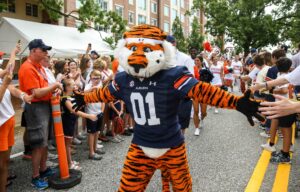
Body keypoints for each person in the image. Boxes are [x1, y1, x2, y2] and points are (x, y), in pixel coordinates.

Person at [72, 25, 263, 191]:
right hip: (140, 146)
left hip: (172, 147)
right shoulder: (123, 79)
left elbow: (202, 91)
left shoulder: (173, 76)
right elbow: (104, 94)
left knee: (182, 187)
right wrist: (84, 97)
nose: (138, 56)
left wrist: (236, 102)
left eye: (146, 49)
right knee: (128, 188)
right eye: (133, 49)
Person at [18, 39, 62, 190]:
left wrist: (52, 88)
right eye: (43, 50)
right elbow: (36, 93)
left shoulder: (37, 67)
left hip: (43, 106)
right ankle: (35, 176)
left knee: (44, 142)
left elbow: (44, 88)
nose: (46, 53)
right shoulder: (28, 68)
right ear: (33, 51)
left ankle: (43, 170)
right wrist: (55, 86)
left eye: (46, 50)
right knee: (38, 144)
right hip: (36, 107)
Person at [0, 44, 33, 191]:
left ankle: (4, 180)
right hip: (1, 124)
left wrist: (22, 95)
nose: (1, 60)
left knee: (5, 160)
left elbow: (9, 75)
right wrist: (5, 83)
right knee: (1, 163)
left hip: (8, 119)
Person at [260, 58, 296, 163]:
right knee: (285, 128)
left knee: (285, 129)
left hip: (285, 106)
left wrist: (272, 90)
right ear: (289, 67)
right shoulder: (285, 76)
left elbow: (284, 90)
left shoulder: (283, 77)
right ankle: (287, 149)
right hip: (284, 105)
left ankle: (285, 154)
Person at [61, 78, 97, 169]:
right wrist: (89, 116)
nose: (75, 86)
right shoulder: (65, 99)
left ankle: (70, 161)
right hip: (67, 123)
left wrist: (91, 90)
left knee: (68, 144)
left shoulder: (71, 95)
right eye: (73, 84)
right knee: (67, 145)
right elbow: (74, 111)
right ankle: (69, 164)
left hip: (71, 122)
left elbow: (82, 94)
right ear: (67, 87)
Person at [166, 35, 195, 133]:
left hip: (182, 96)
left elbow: (191, 77)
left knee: (181, 125)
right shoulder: (161, 59)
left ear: (174, 44)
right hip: (166, 96)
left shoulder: (185, 58)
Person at [84, 70, 105, 160]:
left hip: (99, 112)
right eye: (94, 78)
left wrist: (102, 111)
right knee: (91, 133)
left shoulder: (101, 86)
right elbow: (83, 94)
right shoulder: (88, 86)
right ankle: (91, 152)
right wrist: (91, 89)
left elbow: (103, 100)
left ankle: (95, 148)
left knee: (97, 132)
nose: (96, 80)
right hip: (91, 113)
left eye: (98, 78)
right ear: (91, 78)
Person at [193, 55, 208, 136]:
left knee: (204, 112)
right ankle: (196, 128)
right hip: (194, 93)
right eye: (195, 60)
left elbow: (209, 82)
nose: (196, 62)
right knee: (195, 111)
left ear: (201, 61)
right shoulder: (192, 69)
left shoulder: (205, 70)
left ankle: (202, 119)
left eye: (198, 60)